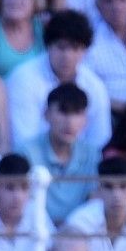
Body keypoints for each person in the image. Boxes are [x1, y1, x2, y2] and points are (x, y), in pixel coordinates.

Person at [8, 10, 114, 146]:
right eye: (61, 47)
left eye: (75, 48)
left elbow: (100, 140)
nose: (67, 56)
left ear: (85, 50)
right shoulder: (23, 79)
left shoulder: (95, 86)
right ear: (48, 46)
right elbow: (24, 140)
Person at [19, 82, 103, 226]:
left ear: (85, 120)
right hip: (36, 228)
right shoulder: (26, 152)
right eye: (63, 112)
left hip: (79, 232)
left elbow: (93, 202)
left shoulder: (92, 154)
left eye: (77, 113)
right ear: (46, 114)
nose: (70, 122)